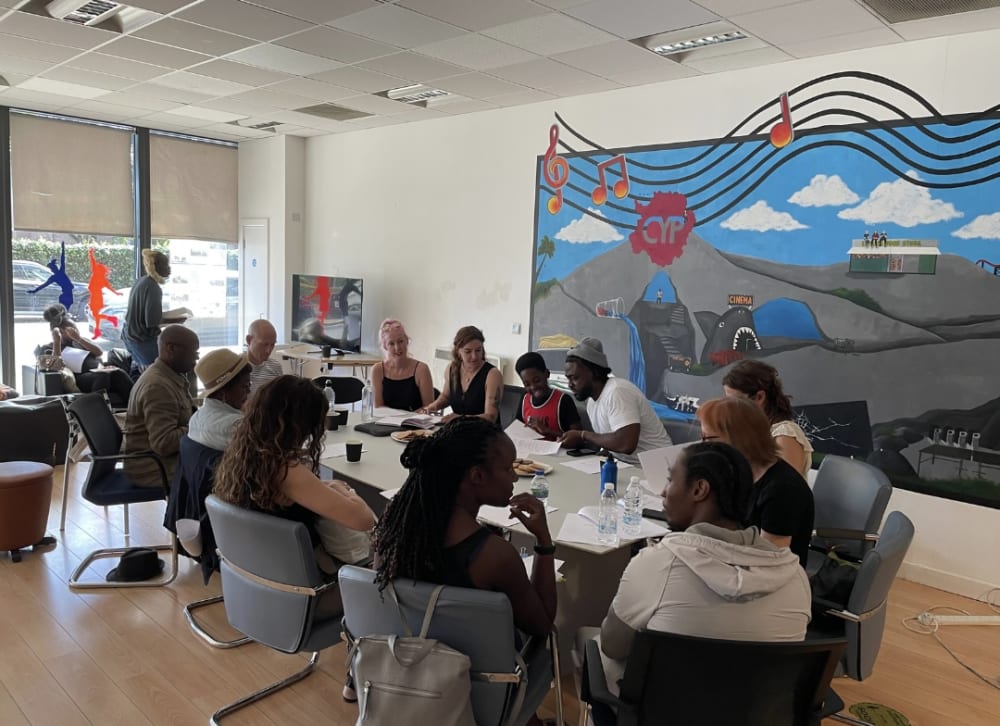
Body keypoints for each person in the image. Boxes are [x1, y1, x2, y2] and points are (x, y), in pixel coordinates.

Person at [585, 441, 811, 696]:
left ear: (699, 489)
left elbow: (613, 646)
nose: (663, 492)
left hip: (666, 708)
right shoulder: (795, 576)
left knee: (592, 644)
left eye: (671, 480)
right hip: (762, 710)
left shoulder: (657, 564)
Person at [372, 417, 557, 639]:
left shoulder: (392, 530)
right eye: (508, 469)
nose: (515, 477)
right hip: (479, 662)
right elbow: (542, 627)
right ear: (477, 476)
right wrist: (543, 541)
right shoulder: (496, 556)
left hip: (407, 653)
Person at [213, 375, 376, 575]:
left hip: (258, 571)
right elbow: (363, 520)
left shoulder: (244, 455)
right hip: (301, 579)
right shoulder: (286, 471)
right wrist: (343, 489)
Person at [696, 397, 814, 567]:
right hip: (734, 562)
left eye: (708, 439)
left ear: (739, 438)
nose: (703, 446)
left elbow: (769, 560)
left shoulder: (783, 490)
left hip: (768, 575)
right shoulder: (739, 472)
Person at [559, 337, 671, 463]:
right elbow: (613, 441)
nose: (570, 385)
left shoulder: (617, 391)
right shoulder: (592, 402)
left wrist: (583, 435)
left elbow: (625, 444)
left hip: (657, 466)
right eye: (568, 379)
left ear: (594, 372)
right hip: (627, 465)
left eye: (574, 378)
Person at [123, 325, 199, 487]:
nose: (196, 358)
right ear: (171, 349)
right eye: (193, 352)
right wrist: (201, 427)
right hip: (152, 469)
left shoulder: (167, 376)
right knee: (227, 471)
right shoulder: (158, 386)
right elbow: (164, 443)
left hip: (163, 461)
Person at [723, 359, 814, 477]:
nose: (730, 408)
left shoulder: (785, 434)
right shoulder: (751, 431)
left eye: (735, 401)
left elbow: (786, 485)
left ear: (759, 397)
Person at [40, 302, 132, 407]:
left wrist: (78, 339)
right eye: (71, 329)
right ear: (60, 331)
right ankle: (96, 410)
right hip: (82, 378)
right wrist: (57, 341)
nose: (75, 331)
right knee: (102, 376)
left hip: (99, 371)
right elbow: (54, 368)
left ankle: (136, 405)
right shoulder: (48, 348)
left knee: (118, 372)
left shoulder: (80, 341)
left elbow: (99, 352)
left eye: (75, 327)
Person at [122, 249, 187, 377]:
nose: (169, 269)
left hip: (130, 337)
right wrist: (177, 320)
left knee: (139, 375)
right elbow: (151, 322)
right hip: (142, 340)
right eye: (166, 265)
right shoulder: (154, 288)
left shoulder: (141, 281)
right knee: (159, 375)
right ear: (156, 266)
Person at [419, 326, 502, 424]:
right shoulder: (452, 369)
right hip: (459, 428)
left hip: (485, 431)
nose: (474, 356)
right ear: (458, 351)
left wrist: (460, 418)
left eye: (478, 350)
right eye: (468, 352)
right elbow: (446, 396)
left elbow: (491, 416)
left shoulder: (492, 374)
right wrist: (433, 407)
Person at [187, 349, 252, 451]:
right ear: (222, 394)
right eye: (245, 385)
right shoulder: (238, 426)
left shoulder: (195, 419)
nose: (249, 391)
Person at [514, 351, 580, 439]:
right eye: (527, 384)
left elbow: (578, 438)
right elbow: (517, 430)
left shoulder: (563, 400)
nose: (533, 387)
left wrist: (547, 431)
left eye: (537, 380)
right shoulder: (525, 398)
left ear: (547, 373)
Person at [371, 319, 434, 411]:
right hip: (386, 419)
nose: (397, 348)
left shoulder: (422, 369)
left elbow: (429, 407)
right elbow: (378, 407)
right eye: (391, 343)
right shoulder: (377, 370)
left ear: (407, 341)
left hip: (416, 419)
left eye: (400, 341)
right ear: (385, 346)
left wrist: (408, 417)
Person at [245, 319, 282, 397]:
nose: (268, 350)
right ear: (249, 340)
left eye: (272, 344)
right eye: (264, 344)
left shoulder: (275, 366)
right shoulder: (235, 368)